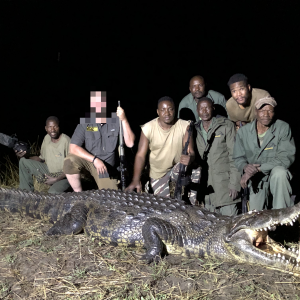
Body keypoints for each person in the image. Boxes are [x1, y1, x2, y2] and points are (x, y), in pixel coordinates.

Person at [126, 96, 200, 205]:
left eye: (170, 109)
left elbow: (191, 152)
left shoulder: (185, 125)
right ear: (158, 112)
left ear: (175, 110)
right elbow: (141, 155)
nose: (167, 113)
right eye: (163, 110)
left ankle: (193, 201)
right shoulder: (148, 128)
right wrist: (136, 179)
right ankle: (150, 187)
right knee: (163, 206)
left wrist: (191, 158)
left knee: (196, 168)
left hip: (177, 168)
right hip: (158, 173)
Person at [233, 96, 295, 210]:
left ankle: (281, 219)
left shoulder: (283, 127)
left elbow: (285, 159)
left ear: (274, 112)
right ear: (256, 112)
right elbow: (238, 158)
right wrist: (245, 167)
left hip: (275, 175)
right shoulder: (243, 132)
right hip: (257, 179)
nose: (266, 114)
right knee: (256, 216)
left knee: (280, 173)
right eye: (262, 110)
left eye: (270, 110)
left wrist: (257, 169)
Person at [63, 99, 135, 192]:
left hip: (106, 168)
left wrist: (124, 119)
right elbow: (73, 148)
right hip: (90, 162)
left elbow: (130, 143)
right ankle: (79, 195)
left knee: (111, 198)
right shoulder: (85, 123)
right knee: (69, 161)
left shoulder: (116, 121)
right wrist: (95, 160)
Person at [195, 97, 241, 216]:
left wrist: (235, 183)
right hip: (206, 191)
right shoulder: (193, 130)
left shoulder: (226, 126)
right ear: (197, 110)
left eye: (207, 108)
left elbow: (235, 156)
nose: (204, 111)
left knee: (231, 225)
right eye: (201, 108)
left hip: (225, 188)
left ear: (213, 108)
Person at [17, 116, 71, 194]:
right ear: (46, 128)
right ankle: (25, 193)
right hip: (50, 172)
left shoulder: (66, 141)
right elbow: (41, 159)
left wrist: (56, 179)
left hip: (64, 176)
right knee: (23, 161)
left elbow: (73, 167)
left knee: (52, 192)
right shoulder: (47, 138)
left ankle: (68, 190)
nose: (52, 130)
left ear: (59, 127)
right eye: (50, 127)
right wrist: (26, 155)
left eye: (55, 126)